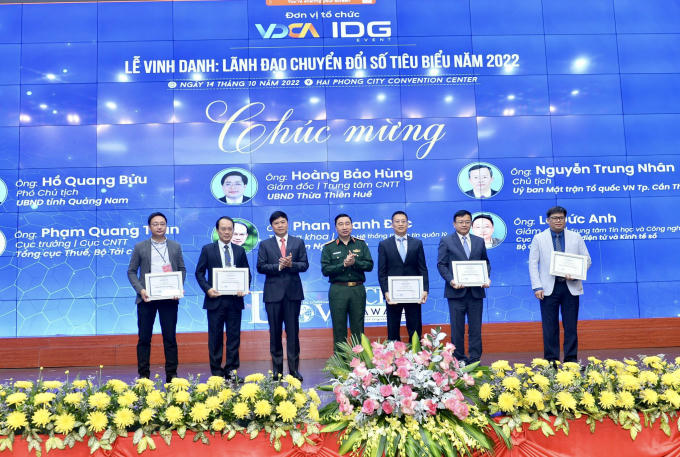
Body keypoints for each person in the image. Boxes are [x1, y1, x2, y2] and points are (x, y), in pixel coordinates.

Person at [127, 212, 186, 383]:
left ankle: (172, 375)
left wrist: (178, 287)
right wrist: (141, 290)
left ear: (166, 226)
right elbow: (131, 271)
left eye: (162, 224)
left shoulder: (175, 246)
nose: (159, 227)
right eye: (155, 224)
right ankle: (144, 376)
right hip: (147, 298)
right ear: (149, 227)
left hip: (169, 299)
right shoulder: (140, 247)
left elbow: (182, 269)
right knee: (144, 338)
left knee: (170, 338)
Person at [529, 206, 591, 363]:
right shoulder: (539, 238)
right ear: (547, 220)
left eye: (561, 218)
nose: (558, 221)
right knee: (549, 327)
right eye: (555, 218)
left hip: (570, 287)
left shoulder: (576, 237)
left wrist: (576, 273)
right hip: (548, 289)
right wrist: (537, 286)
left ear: (565, 219)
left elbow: (587, 260)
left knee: (571, 327)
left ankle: (571, 361)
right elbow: (533, 264)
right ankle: (551, 362)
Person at [195, 216, 252, 380]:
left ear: (233, 231)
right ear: (217, 230)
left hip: (235, 301)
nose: (227, 232)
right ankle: (217, 373)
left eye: (229, 229)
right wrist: (208, 289)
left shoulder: (239, 250)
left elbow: (247, 274)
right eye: (223, 229)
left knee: (234, 337)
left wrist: (243, 288)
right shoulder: (208, 249)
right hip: (215, 300)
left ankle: (232, 371)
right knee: (215, 337)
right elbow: (199, 273)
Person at [256, 211, 309, 380]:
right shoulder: (265, 245)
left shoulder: (298, 242)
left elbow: (304, 265)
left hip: (293, 295)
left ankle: (294, 370)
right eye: (276, 223)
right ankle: (277, 371)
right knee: (275, 333)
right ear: (272, 226)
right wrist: (278, 267)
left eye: (283, 222)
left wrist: (291, 264)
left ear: (287, 223)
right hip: (273, 295)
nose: (280, 225)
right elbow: (260, 267)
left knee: (293, 333)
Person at [437, 210, 490, 364]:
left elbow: (485, 262)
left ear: (471, 224)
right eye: (461, 222)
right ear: (454, 224)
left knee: (475, 329)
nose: (464, 225)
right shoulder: (446, 240)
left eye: (467, 222)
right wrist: (451, 280)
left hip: (476, 292)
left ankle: (474, 359)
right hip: (455, 292)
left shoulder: (479, 241)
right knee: (457, 329)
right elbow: (441, 264)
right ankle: (458, 359)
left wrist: (486, 277)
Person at [321, 214, 374, 352]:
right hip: (338, 290)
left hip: (357, 289)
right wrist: (343, 264)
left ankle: (360, 360)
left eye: (347, 223)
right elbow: (325, 270)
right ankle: (341, 361)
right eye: (341, 224)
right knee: (339, 328)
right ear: (335, 227)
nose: (344, 227)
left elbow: (369, 265)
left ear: (352, 226)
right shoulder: (329, 247)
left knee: (358, 327)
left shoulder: (361, 244)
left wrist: (355, 262)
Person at [378, 210, 428, 342]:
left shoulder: (417, 243)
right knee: (393, 328)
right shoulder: (384, 244)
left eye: (403, 221)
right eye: (397, 221)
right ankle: (394, 354)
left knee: (415, 327)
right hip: (393, 294)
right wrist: (386, 292)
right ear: (392, 224)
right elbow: (382, 271)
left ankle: (416, 353)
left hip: (413, 293)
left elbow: (422, 268)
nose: (400, 224)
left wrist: (425, 289)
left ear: (407, 224)